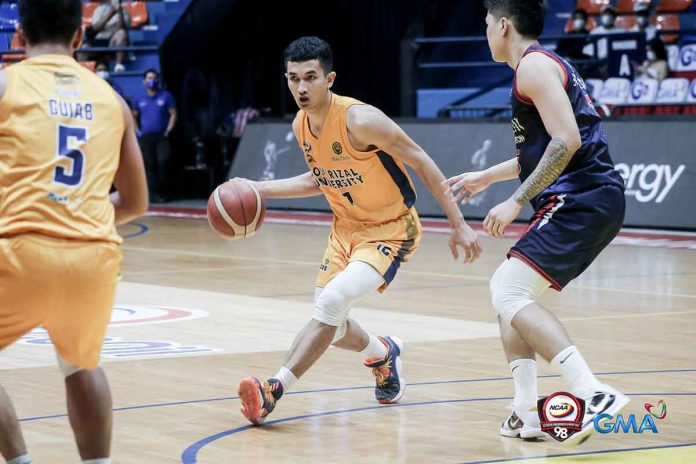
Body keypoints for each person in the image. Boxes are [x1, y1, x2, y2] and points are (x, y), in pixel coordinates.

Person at [236, 36, 482, 426]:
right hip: (344, 230)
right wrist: (256, 187)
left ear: (329, 78)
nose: (301, 87)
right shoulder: (301, 124)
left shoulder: (360, 120)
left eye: (310, 77)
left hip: (389, 230)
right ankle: (382, 353)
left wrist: (459, 224)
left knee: (330, 304)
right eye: (293, 78)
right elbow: (320, 179)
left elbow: (421, 160)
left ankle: (273, 389)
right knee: (330, 325)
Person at [445, 0, 629, 445]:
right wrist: (487, 176)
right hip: (587, 196)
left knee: (507, 290)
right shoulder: (541, 66)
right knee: (512, 293)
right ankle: (527, 412)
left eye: (487, 23)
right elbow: (543, 148)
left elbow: (565, 142)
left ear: (503, 25)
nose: (485, 30)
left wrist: (513, 201)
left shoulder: (533, 67)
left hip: (582, 195)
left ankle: (592, 394)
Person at [0, 1, 148, 463]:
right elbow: (136, 203)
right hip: (95, 261)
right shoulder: (112, 99)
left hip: (21, 252)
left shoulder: (6, 83)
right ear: (80, 38)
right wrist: (77, 213)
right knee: (81, 365)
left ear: (17, 37)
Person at [132, 69, 177, 203]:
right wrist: (137, 131)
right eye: (149, 78)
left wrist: (168, 130)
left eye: (154, 78)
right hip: (146, 137)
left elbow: (173, 113)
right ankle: (153, 194)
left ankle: (164, 191)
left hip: (161, 136)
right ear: (144, 81)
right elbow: (133, 116)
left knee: (164, 161)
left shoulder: (166, 96)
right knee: (149, 165)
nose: (152, 80)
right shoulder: (138, 98)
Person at [85, 0, 130, 72]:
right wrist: (111, 11)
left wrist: (119, 12)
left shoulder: (125, 12)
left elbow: (122, 29)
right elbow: (97, 28)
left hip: (113, 42)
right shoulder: (99, 10)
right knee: (82, 50)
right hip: (98, 41)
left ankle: (119, 65)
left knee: (121, 33)